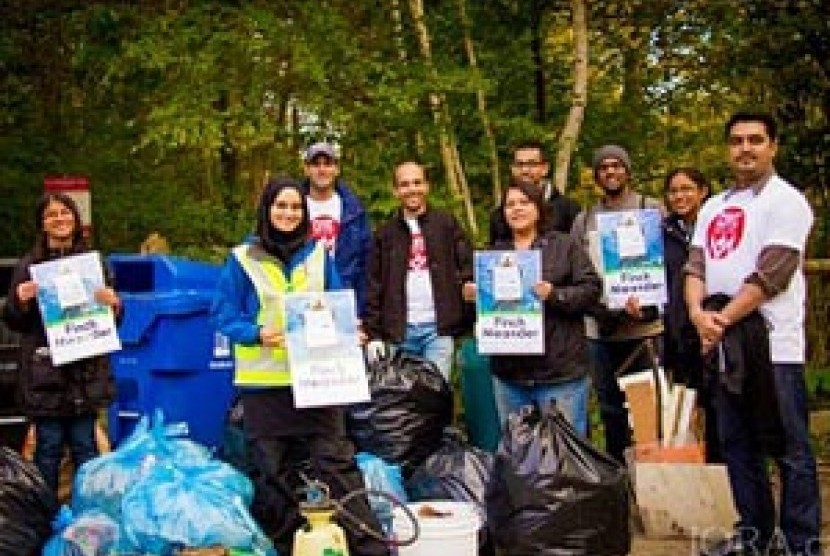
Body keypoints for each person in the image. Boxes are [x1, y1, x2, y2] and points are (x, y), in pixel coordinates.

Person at [211, 177, 388, 556]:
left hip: (319, 379)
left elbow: (337, 301)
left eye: (295, 207)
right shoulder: (243, 257)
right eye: (281, 206)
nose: (288, 214)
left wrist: (350, 330)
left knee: (336, 464)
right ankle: (289, 545)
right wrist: (255, 332)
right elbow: (222, 312)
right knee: (272, 473)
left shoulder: (317, 254)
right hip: (265, 384)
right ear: (267, 209)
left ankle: (370, 547)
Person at [686, 113, 820, 556]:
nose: (745, 148)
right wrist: (695, 313)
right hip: (724, 346)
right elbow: (696, 266)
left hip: (772, 346)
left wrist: (720, 320)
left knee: (789, 448)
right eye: (737, 141)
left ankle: (801, 541)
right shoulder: (714, 206)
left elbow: (774, 272)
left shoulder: (786, 202)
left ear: (773, 146)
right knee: (738, 445)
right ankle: (755, 535)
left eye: (755, 140)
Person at [2, 192, 119, 493]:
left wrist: (115, 305)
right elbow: (13, 321)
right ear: (42, 224)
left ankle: (90, 519)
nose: (59, 219)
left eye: (65, 213)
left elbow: (111, 322)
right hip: (46, 377)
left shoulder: (93, 263)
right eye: (51, 215)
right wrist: (19, 300)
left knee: (87, 450)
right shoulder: (29, 266)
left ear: (75, 219)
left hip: (85, 375)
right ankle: (46, 521)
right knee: (48, 452)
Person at [466, 180, 600, 434]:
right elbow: (488, 315)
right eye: (510, 204)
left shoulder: (565, 246)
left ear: (539, 208)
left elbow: (591, 290)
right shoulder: (494, 255)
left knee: (565, 455)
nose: (516, 209)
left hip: (560, 372)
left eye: (524, 202)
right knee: (520, 457)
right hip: (510, 375)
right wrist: (476, 297)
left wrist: (555, 294)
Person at [570, 144, 665, 462]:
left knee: (648, 411)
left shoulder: (651, 209)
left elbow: (668, 264)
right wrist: (603, 310)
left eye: (617, 165)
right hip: (601, 330)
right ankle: (617, 476)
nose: (610, 172)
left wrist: (650, 305)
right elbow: (578, 273)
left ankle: (652, 482)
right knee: (610, 409)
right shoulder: (584, 220)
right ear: (596, 175)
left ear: (627, 170)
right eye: (603, 167)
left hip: (645, 329)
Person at [364, 161, 473, 382]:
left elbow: (468, 269)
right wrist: (373, 335)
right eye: (404, 184)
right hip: (398, 333)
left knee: (435, 399)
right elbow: (374, 285)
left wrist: (473, 316)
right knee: (401, 405)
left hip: (438, 331)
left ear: (427, 186)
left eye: (417, 182)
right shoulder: (385, 234)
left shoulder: (446, 224)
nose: (412, 189)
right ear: (396, 191)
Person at [662, 167, 721, 462]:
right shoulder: (662, 232)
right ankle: (691, 470)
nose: (680, 196)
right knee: (685, 405)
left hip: (715, 326)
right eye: (673, 191)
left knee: (720, 406)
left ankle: (724, 472)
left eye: (687, 189)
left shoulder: (717, 224)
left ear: (703, 191)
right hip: (678, 331)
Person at [301, 142, 372, 317]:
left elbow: (366, 265)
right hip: (303, 298)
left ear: (336, 169)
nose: (322, 169)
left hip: (344, 299)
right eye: (316, 164)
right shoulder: (293, 206)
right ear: (306, 169)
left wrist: (363, 313)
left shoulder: (354, 210)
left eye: (328, 164)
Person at [489, 140, 581, 243]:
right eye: (519, 164)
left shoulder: (568, 209)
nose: (525, 170)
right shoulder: (499, 215)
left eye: (531, 164)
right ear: (512, 169)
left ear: (545, 168)